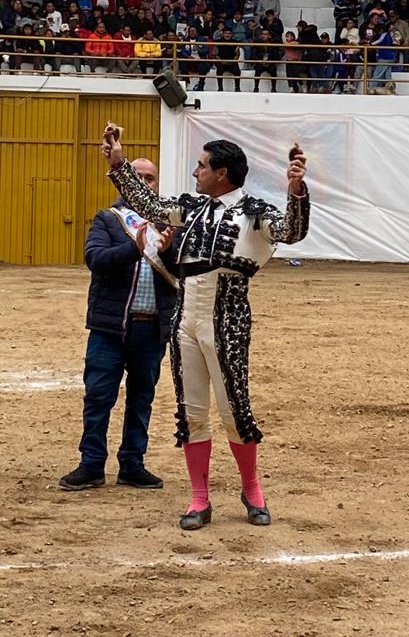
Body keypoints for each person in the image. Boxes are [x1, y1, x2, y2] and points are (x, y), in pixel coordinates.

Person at [103, 131, 309, 530]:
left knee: (234, 408)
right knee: (192, 409)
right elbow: (148, 204)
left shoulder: (254, 213)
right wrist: (118, 164)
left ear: (222, 173)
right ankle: (199, 498)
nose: (195, 172)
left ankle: (252, 489)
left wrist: (296, 191)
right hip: (185, 317)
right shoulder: (192, 208)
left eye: (202, 166)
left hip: (228, 318)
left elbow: (292, 230)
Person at [59, 158, 179, 492]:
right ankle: (91, 464)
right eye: (137, 176)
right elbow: (95, 259)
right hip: (110, 328)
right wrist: (133, 248)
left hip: (151, 328)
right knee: (98, 397)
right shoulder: (108, 219)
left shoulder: (169, 224)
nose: (143, 182)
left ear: (157, 184)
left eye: (149, 178)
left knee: (141, 399)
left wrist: (168, 253)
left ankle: (132, 464)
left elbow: (182, 273)